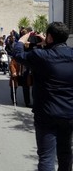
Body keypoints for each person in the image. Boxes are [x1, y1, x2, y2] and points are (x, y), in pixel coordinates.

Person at [13, 22, 73, 171]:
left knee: (47, 156)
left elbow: (18, 55)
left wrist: (22, 39)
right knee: (65, 152)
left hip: (46, 113)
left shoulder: (41, 56)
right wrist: (47, 42)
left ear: (50, 37)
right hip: (69, 113)